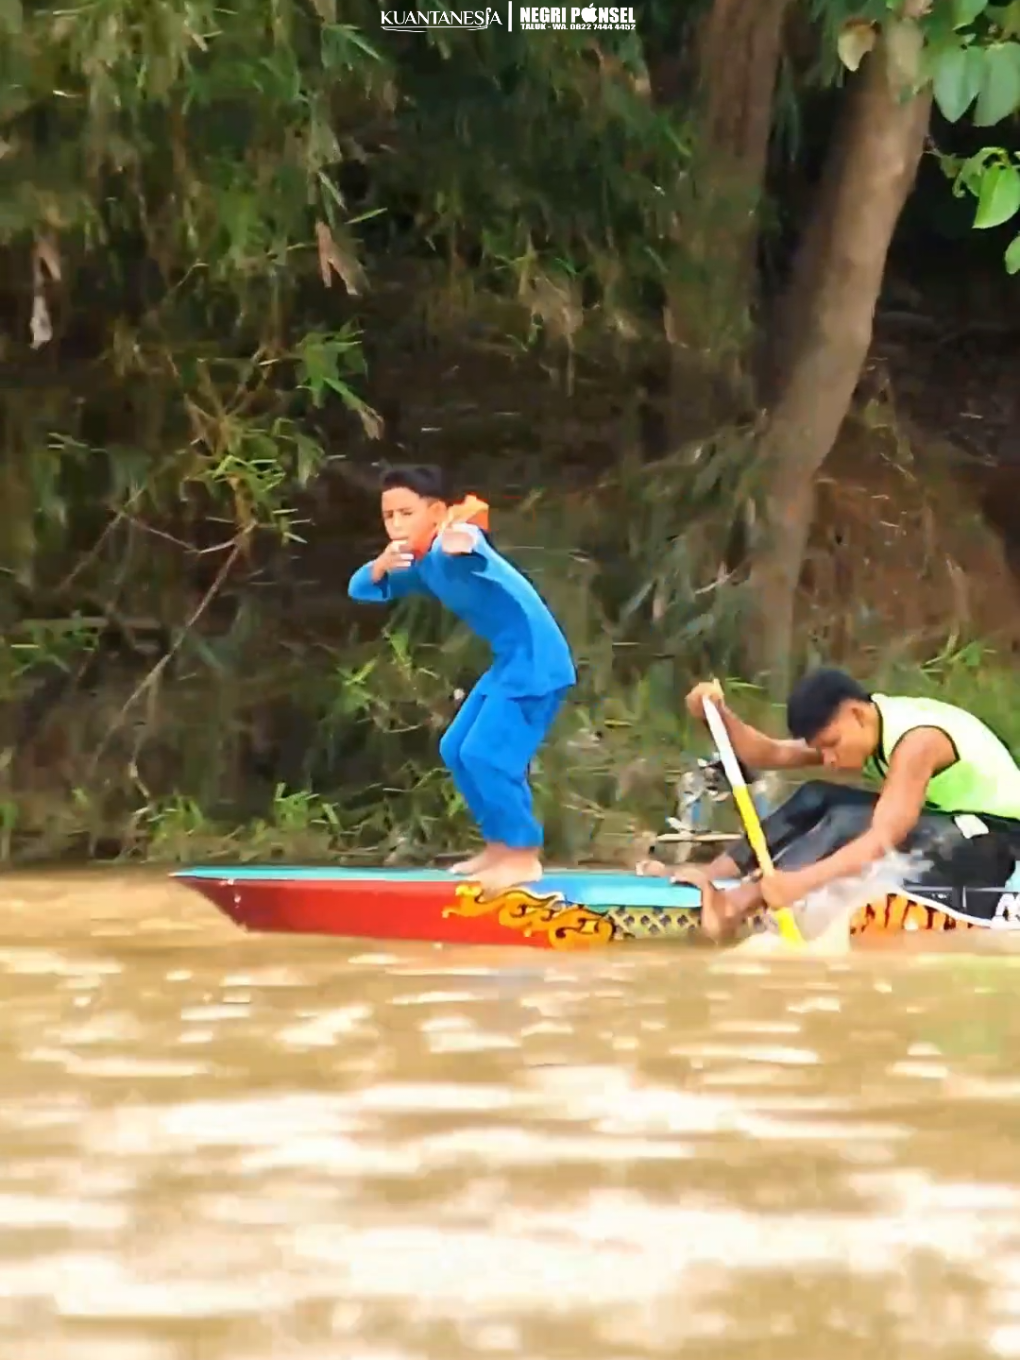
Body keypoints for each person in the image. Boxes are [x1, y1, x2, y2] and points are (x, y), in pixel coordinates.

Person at [639, 669, 1020, 941]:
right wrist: (717, 716)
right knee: (815, 794)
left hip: (999, 842)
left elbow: (883, 837)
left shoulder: (917, 741)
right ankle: (715, 876)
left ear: (856, 714)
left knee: (848, 819)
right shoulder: (867, 723)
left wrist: (799, 884)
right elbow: (767, 752)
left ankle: (737, 904)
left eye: (832, 745)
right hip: (953, 822)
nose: (830, 759)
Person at [348, 464, 576, 894]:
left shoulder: (454, 545)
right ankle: (498, 847)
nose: (396, 524)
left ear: (435, 512)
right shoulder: (420, 564)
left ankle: (523, 857)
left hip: (537, 664)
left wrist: (461, 538)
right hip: (509, 661)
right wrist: (379, 564)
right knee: (456, 748)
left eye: (406, 513)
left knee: (488, 755)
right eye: (388, 515)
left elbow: (473, 542)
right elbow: (361, 589)